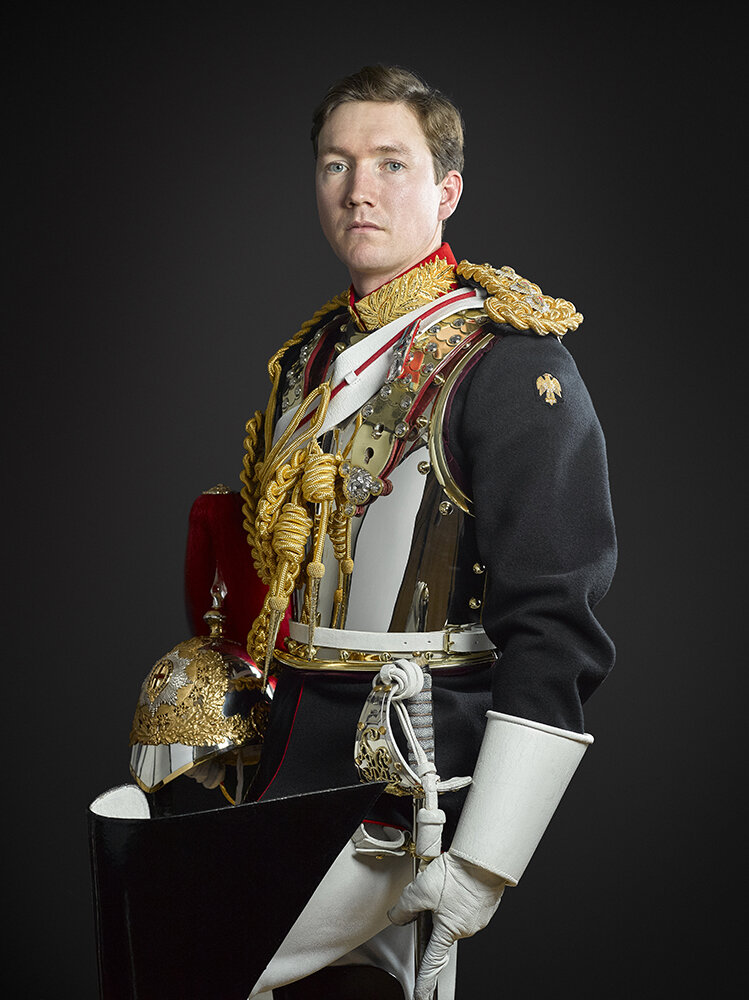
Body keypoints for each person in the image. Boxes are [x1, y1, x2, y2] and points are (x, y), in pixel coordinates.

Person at [126, 64, 616, 1000]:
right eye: (335, 164)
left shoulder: (511, 364)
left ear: (447, 188)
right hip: (290, 740)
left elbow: (556, 620)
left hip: (409, 764)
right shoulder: (311, 355)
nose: (358, 189)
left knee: (192, 960)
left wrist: (485, 859)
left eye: (391, 163)